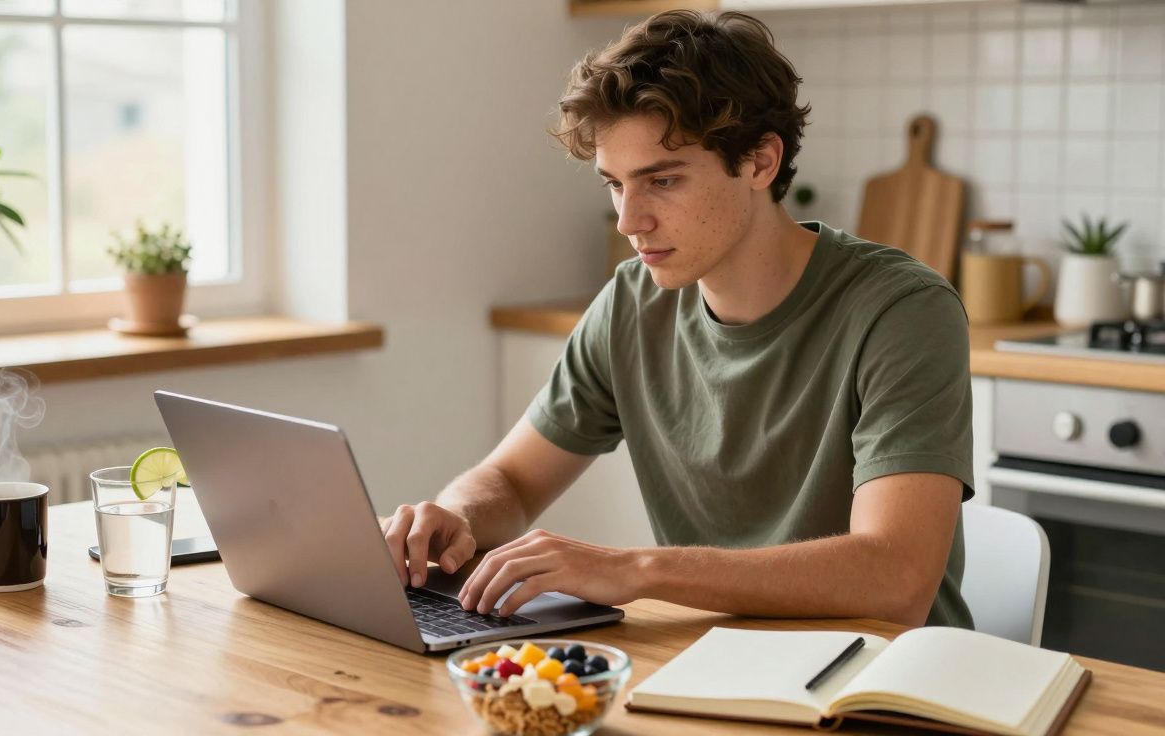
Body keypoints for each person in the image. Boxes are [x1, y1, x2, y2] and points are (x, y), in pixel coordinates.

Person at [381, 9, 973, 628]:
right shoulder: (632, 302)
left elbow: (896, 576)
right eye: (615, 184)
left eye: (661, 180)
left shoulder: (901, 310)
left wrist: (639, 571)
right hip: (712, 669)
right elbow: (512, 480)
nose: (628, 220)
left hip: (880, 683)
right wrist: (453, 518)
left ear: (759, 163)